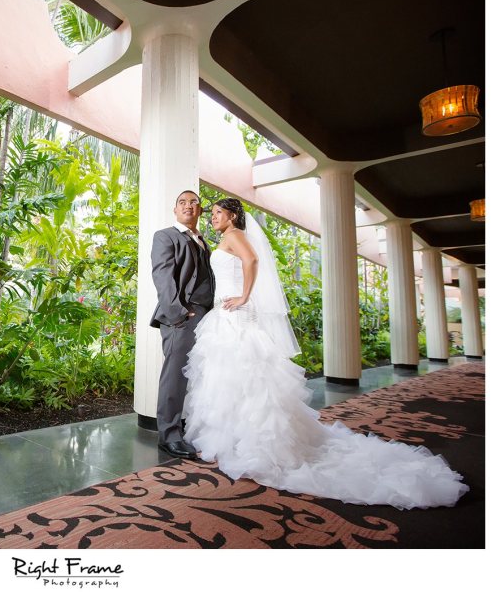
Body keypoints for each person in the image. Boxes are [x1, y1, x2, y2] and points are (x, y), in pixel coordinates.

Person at [182, 197, 469, 509]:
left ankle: (253, 445)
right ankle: (233, 440)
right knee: (231, 379)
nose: (213, 218)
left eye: (218, 213)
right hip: (225, 316)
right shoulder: (226, 238)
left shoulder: (236, 236)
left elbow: (252, 262)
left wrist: (243, 296)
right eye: (212, 214)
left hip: (236, 315)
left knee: (246, 378)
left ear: (233, 216)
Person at [149, 190, 215, 460]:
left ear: (200, 211)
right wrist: (178, 313)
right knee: (174, 375)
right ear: (175, 209)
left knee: (197, 374)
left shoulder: (202, 240)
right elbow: (162, 277)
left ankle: (186, 425)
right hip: (183, 315)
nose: (189, 205)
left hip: (207, 316)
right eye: (183, 202)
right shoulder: (165, 236)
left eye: (194, 202)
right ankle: (169, 435)